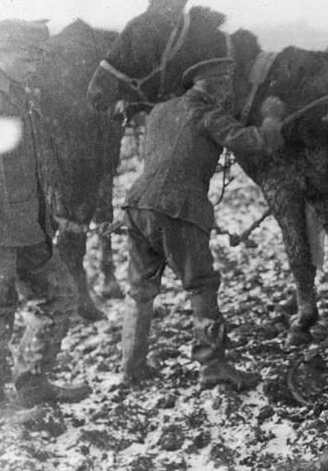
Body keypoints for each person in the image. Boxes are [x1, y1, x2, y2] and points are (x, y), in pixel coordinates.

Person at [120, 58, 286, 389]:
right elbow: (259, 143)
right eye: (225, 85)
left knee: (140, 289)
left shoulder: (161, 111)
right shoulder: (207, 112)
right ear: (214, 85)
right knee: (201, 285)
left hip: (137, 204)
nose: (228, 92)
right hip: (178, 209)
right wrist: (271, 119)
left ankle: (131, 367)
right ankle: (213, 365)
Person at [0, 19, 91, 413]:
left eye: (38, 58)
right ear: (2, 52)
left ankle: (32, 382)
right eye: (28, 58)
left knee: (60, 295)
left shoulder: (16, 94)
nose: (34, 67)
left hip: (27, 224)